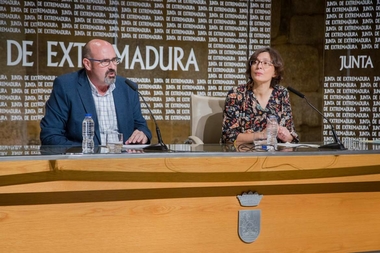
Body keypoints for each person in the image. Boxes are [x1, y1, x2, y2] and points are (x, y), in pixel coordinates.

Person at [40, 39, 152, 146]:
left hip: (123, 161)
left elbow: (141, 126)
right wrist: (88, 151)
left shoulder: (127, 87)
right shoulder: (66, 86)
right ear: (87, 64)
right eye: (105, 61)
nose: (112, 66)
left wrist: (142, 134)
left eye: (114, 60)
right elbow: (50, 136)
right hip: (85, 162)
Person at [221, 47, 299, 144]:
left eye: (265, 63)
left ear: (275, 72)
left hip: (274, 155)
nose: (259, 66)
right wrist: (261, 135)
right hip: (243, 154)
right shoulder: (236, 93)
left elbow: (292, 135)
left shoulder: (281, 94)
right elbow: (228, 136)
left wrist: (286, 136)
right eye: (255, 62)